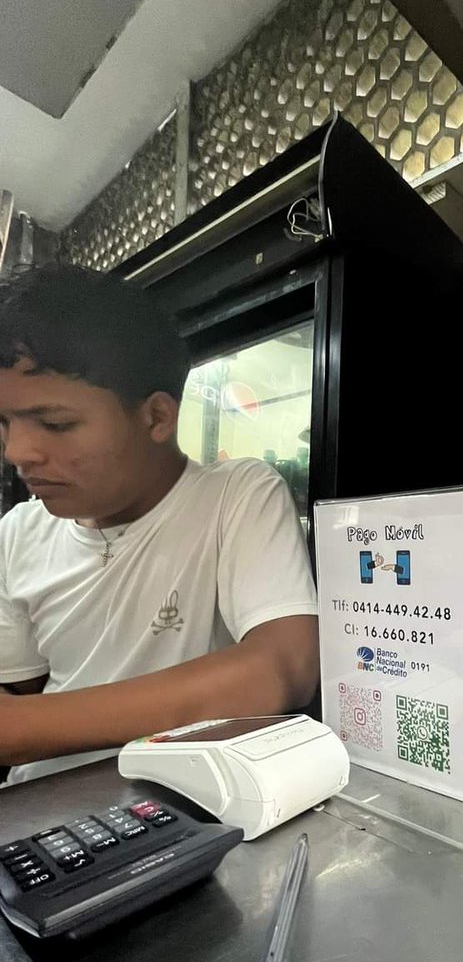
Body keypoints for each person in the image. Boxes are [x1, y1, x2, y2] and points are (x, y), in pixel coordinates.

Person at [0, 264, 320, 785]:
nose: (18, 452)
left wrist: (17, 729)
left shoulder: (233, 496)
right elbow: (23, 687)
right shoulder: (19, 532)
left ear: (155, 418)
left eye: (55, 424)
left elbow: (282, 669)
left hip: (179, 806)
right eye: (5, 424)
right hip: (40, 809)